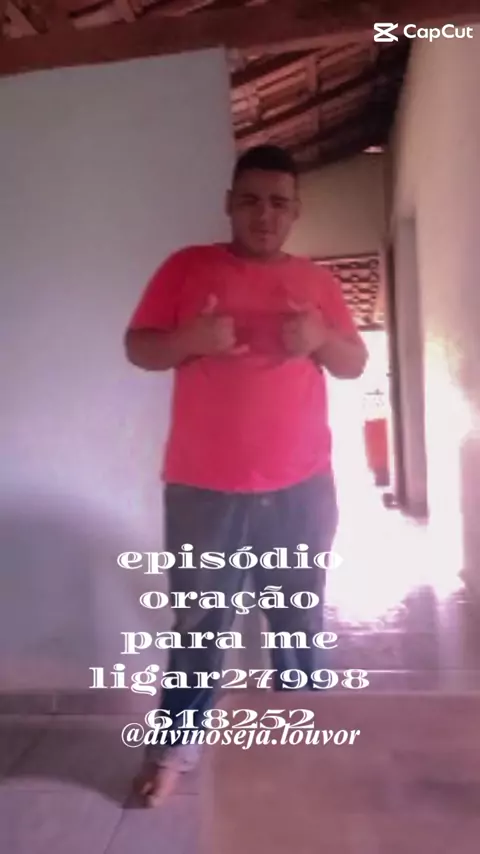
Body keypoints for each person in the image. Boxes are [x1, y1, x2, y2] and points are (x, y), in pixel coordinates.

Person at [124, 144, 367, 806]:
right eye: (252, 200)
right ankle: (174, 752)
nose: (265, 215)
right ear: (230, 203)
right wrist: (190, 341)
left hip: (301, 486)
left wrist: (320, 340)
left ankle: (303, 749)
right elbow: (138, 346)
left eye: (279, 203)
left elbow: (353, 364)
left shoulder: (317, 282)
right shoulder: (187, 267)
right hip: (204, 488)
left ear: (296, 211)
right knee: (200, 626)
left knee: (299, 622)